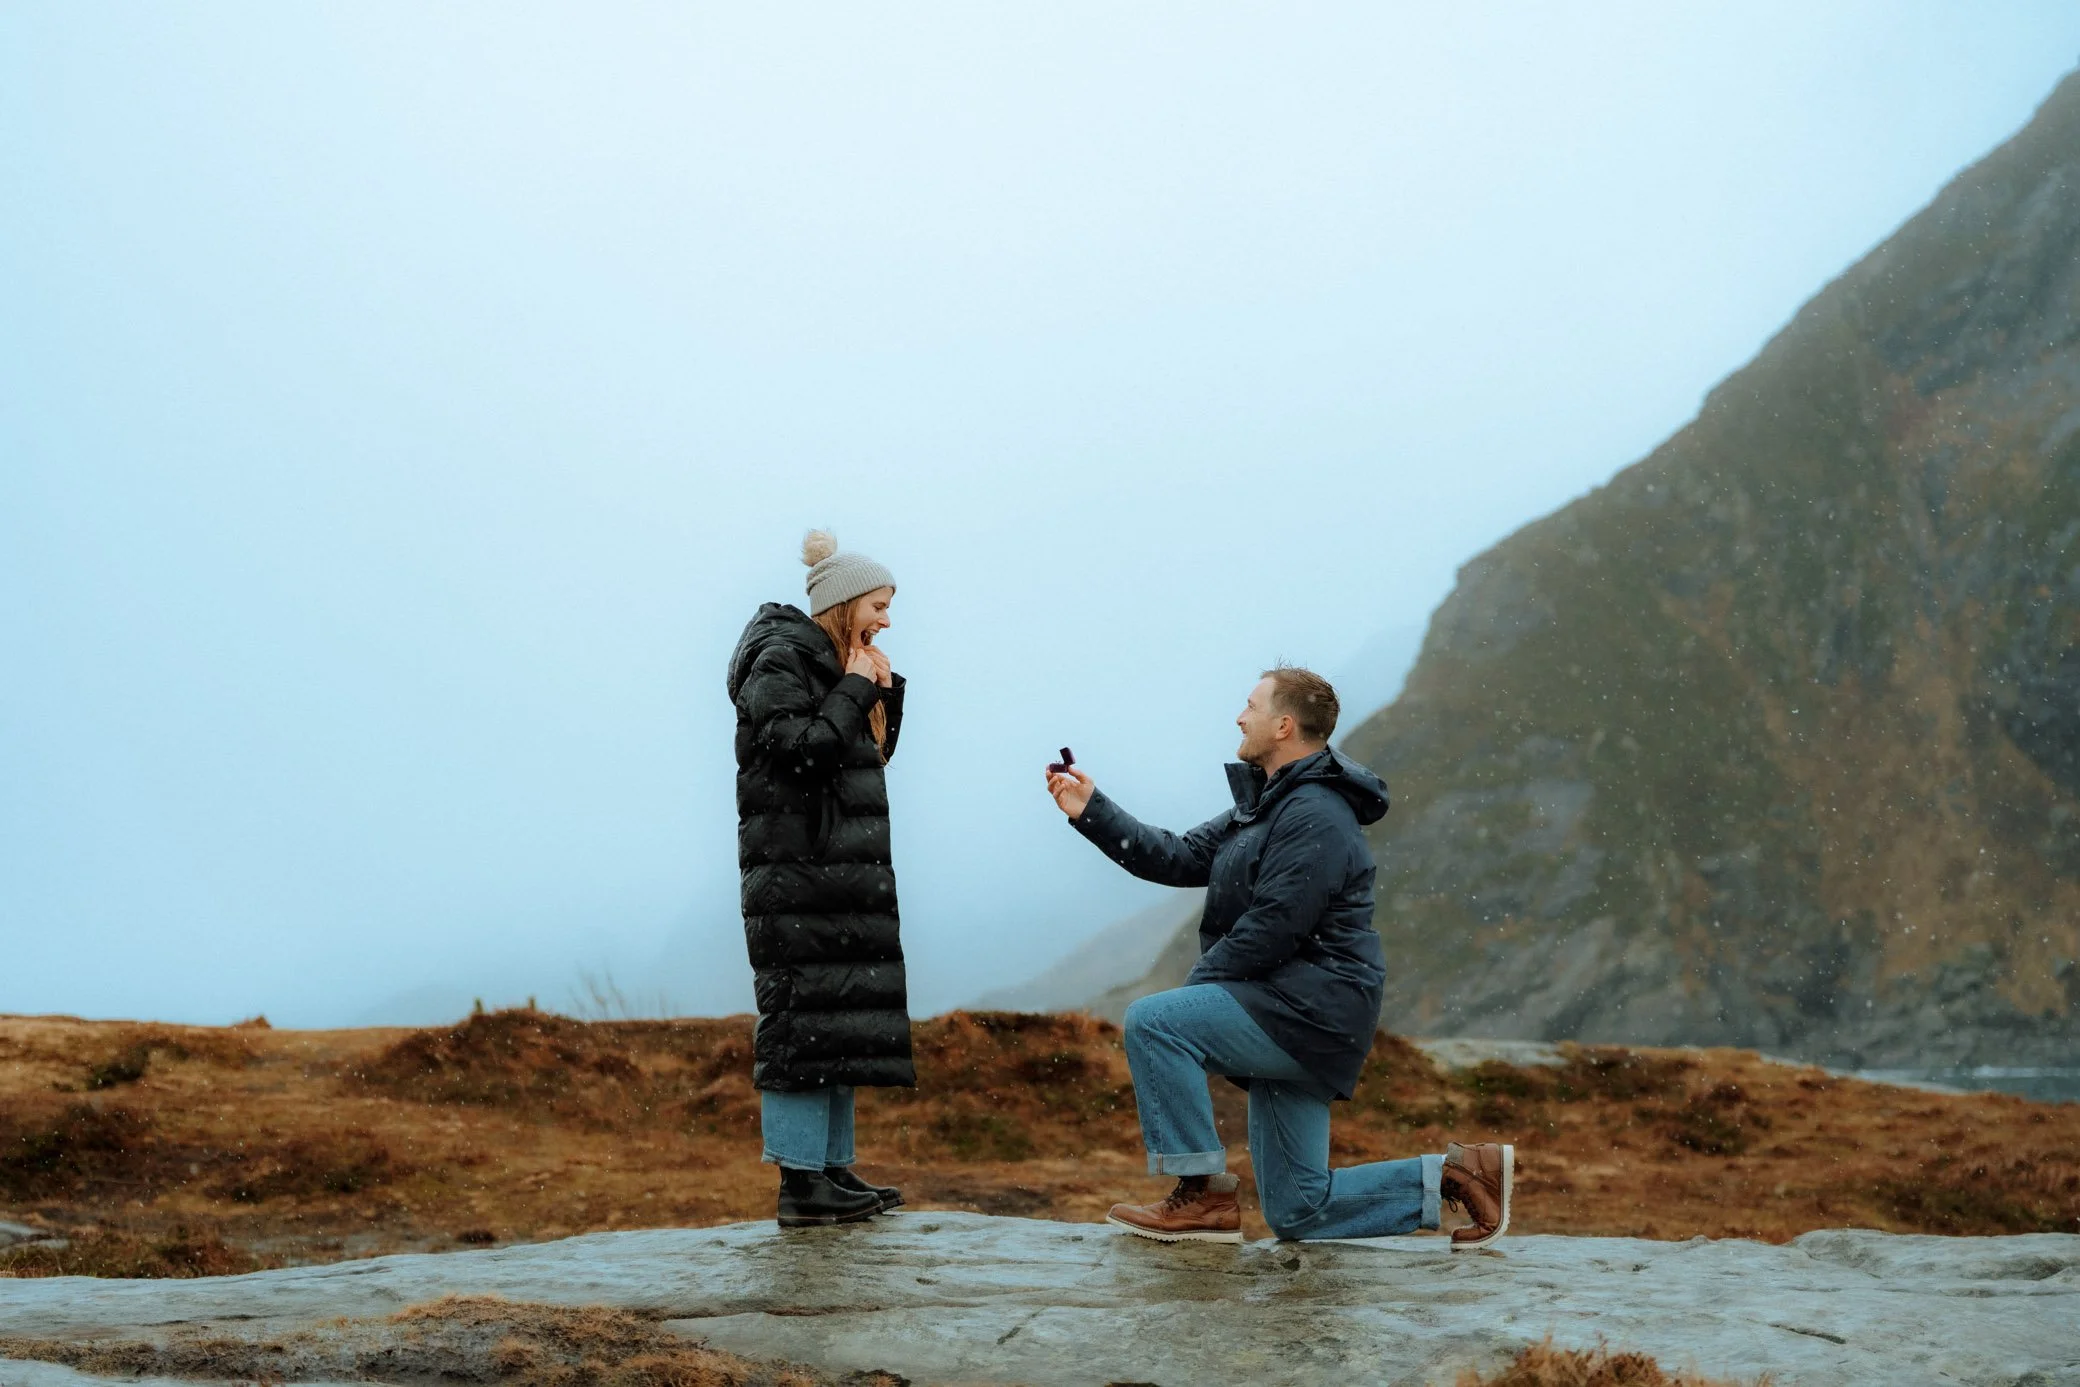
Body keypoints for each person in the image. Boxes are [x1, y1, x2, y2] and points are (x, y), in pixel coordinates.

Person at [1044, 666, 1512, 1247]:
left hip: (1307, 1011)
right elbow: (1177, 856)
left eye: (1250, 706)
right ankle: (1459, 1175)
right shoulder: (1268, 805)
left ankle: (1201, 1196)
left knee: (1156, 1021)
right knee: (1299, 1210)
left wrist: (1194, 996)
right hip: (1288, 1011)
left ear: (1284, 725)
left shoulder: (1316, 812)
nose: (1240, 717)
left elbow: (1274, 927)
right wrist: (1091, 809)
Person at [727, 529, 913, 1228]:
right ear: (841, 603)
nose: (887, 618)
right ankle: (800, 1181)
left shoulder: (832, 661)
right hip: (796, 874)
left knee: (839, 1018)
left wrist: (881, 694)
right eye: (879, 603)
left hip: (834, 872)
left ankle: (830, 1168)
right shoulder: (780, 658)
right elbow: (802, 752)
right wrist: (856, 685)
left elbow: (865, 755)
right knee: (805, 1020)